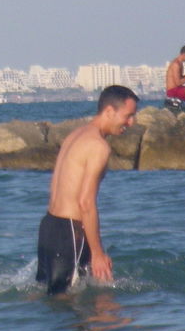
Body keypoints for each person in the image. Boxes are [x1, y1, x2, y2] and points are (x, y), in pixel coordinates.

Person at [37, 85, 139, 295]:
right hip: (70, 232)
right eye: (128, 116)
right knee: (67, 305)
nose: (132, 122)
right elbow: (85, 202)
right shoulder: (98, 146)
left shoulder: (76, 134)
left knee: (46, 294)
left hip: (49, 226)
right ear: (109, 111)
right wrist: (98, 253)